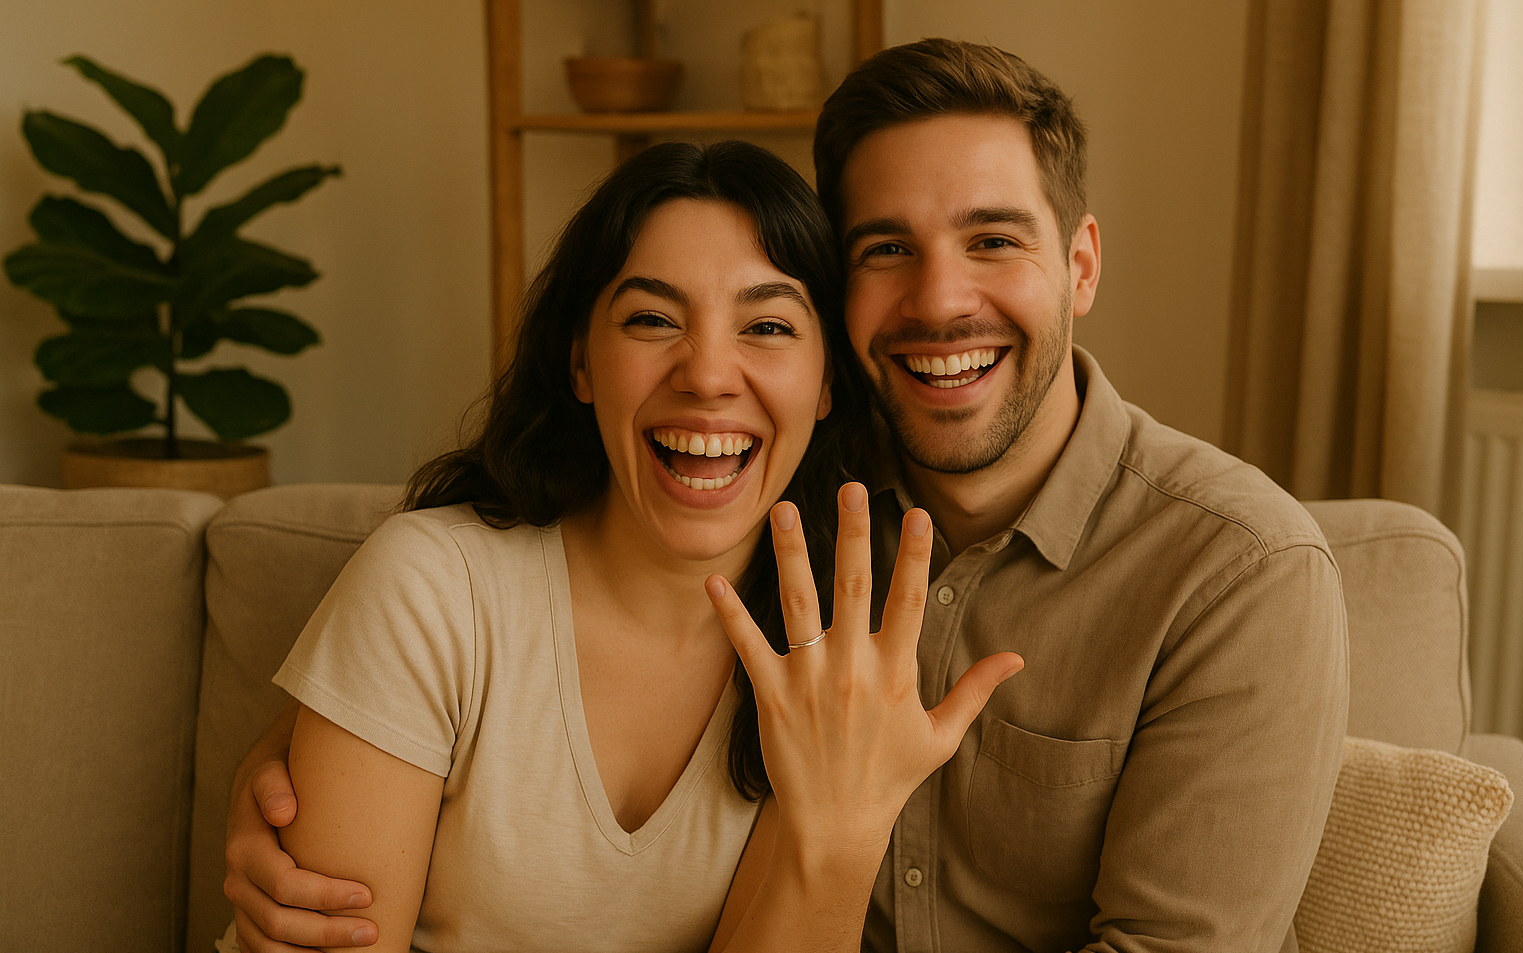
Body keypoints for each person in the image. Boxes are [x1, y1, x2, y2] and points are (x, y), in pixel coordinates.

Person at [228, 39, 1349, 953]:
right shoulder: (780, 507)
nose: (940, 299)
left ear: (1082, 264)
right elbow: (475, 631)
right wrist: (313, 751)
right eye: (886, 249)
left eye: (993, 240)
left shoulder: (1235, 570)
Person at [224, 136, 1021, 953]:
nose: (707, 374)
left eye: (769, 324)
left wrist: (846, 830)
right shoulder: (432, 589)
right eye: (651, 318)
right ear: (580, 361)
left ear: (825, 385)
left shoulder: (831, 660)